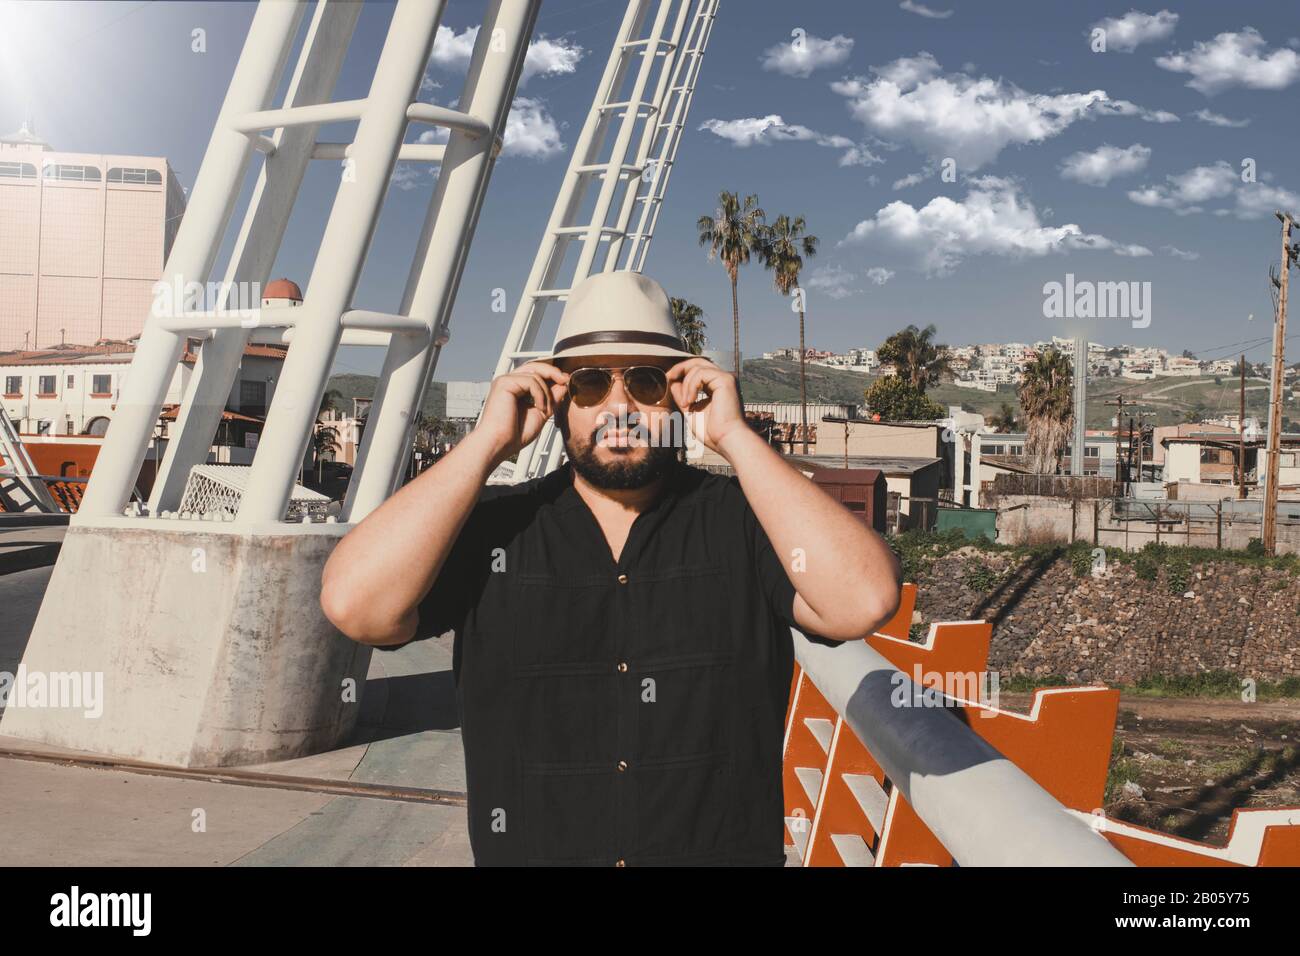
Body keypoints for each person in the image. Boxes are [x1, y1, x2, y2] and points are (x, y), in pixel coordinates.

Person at [321, 271, 902, 866]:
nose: (619, 407)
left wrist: (735, 437)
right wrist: (486, 445)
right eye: (591, 384)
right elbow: (357, 607)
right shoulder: (492, 528)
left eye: (647, 383)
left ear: (680, 396)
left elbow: (863, 600)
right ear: (555, 399)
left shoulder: (745, 522)